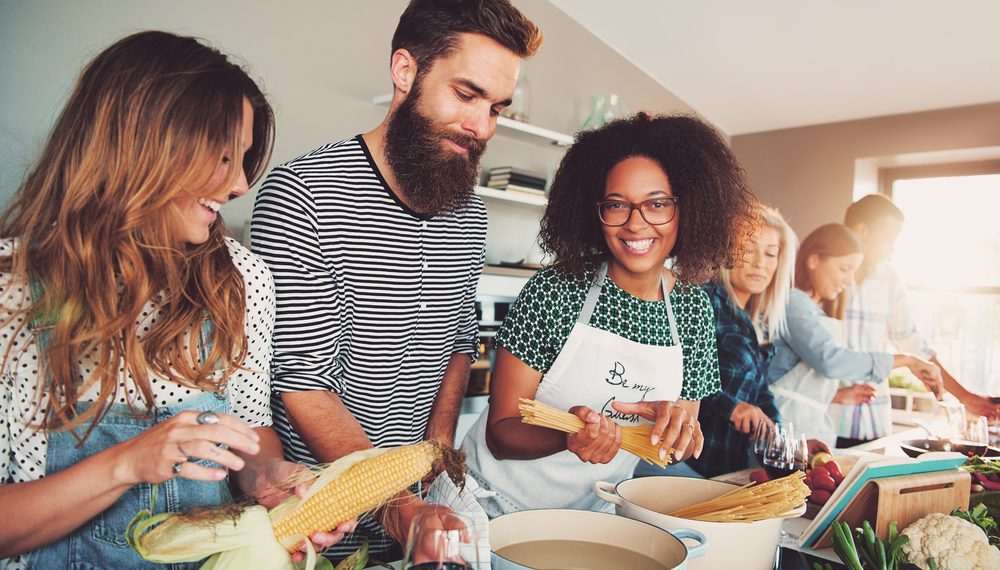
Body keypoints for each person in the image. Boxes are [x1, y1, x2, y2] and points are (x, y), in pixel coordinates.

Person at [0, 31, 352, 569]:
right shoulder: (13, 289)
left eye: (244, 158)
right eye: (223, 155)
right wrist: (125, 464)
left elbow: (253, 435)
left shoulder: (241, 281)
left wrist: (272, 482)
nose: (239, 183)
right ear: (144, 143)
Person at [249, 0, 542, 560]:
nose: (482, 126)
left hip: (417, 512)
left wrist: (435, 468)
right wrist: (398, 506)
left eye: (497, 108)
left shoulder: (469, 214)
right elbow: (303, 384)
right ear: (405, 70)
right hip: (316, 525)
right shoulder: (301, 194)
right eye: (466, 94)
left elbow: (457, 346)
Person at [461, 112, 757, 515]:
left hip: (587, 516)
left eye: (656, 204)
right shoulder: (555, 291)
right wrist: (569, 437)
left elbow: (675, 445)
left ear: (688, 209)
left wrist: (678, 432)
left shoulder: (692, 309)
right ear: (594, 211)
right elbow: (501, 432)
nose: (636, 224)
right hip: (488, 505)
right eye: (617, 205)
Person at [833, 194, 1000, 445]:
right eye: (889, 239)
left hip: (875, 423)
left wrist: (965, 397)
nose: (892, 248)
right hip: (828, 420)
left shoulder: (889, 278)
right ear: (863, 231)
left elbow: (913, 345)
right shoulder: (822, 278)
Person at [644, 206, 797, 479]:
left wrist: (785, 446)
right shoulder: (701, 301)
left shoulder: (757, 323)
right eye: (749, 249)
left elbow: (761, 394)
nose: (760, 262)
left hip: (726, 468)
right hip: (682, 464)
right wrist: (733, 407)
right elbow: (675, 378)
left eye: (771, 253)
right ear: (725, 252)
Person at [767, 223, 942, 449]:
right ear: (813, 260)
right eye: (844, 269)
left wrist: (835, 394)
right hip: (785, 430)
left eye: (853, 271)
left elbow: (798, 380)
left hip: (809, 431)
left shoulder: (815, 310)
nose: (850, 281)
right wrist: (907, 360)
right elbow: (830, 360)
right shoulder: (793, 303)